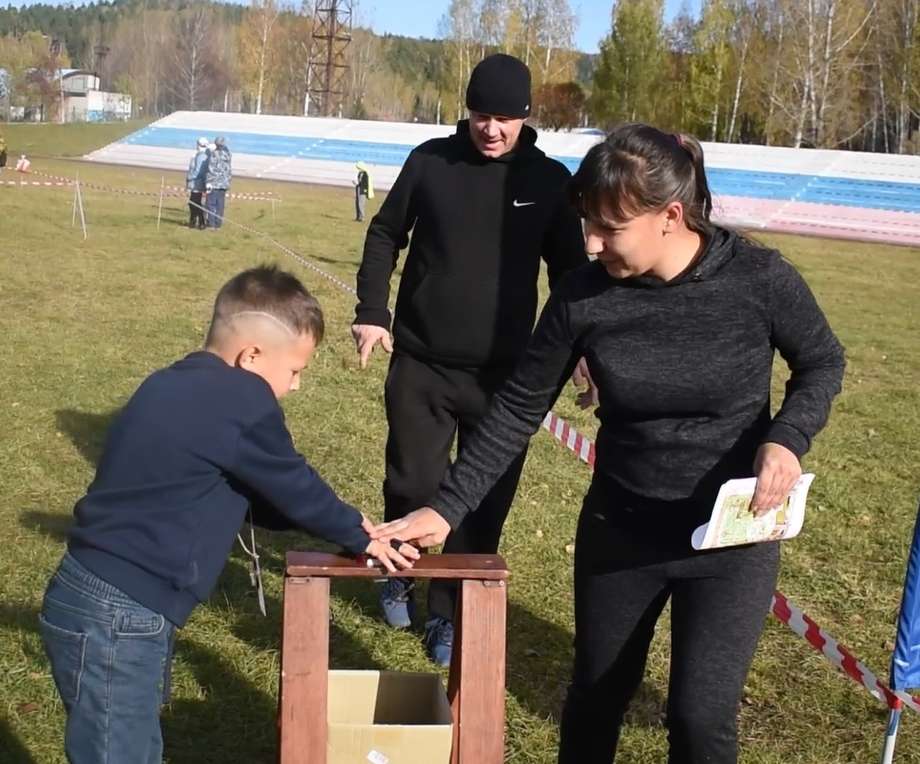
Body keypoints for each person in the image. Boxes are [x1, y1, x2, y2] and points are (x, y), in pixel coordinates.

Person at [374, 123, 847, 762]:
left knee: (698, 719)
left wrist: (787, 439)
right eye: (585, 225)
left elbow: (821, 360)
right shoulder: (581, 297)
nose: (590, 245)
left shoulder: (758, 279)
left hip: (731, 541)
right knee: (596, 697)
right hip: (621, 531)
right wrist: (445, 507)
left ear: (670, 216)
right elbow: (518, 406)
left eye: (608, 229)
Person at [39, 265, 418, 764]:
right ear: (252, 355)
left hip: (93, 596)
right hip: (120, 613)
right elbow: (292, 482)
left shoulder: (171, 382)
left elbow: (248, 489)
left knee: (124, 740)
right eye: (295, 371)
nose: (296, 386)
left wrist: (346, 531)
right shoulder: (243, 398)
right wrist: (359, 533)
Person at [352, 53, 586, 665]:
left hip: (505, 383)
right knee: (412, 483)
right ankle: (399, 570)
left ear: (525, 117)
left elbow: (571, 276)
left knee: (480, 506)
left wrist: (585, 351)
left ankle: (446, 616)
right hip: (422, 364)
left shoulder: (549, 182)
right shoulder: (430, 161)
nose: (491, 129)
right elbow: (384, 235)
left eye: (505, 118)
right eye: (481, 115)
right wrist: (373, 310)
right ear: (467, 111)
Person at [205, 136, 232, 229]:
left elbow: (211, 169)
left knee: (211, 204)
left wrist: (208, 182)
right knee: (220, 205)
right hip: (224, 183)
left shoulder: (214, 154)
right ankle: (218, 224)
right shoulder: (228, 154)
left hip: (214, 183)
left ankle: (211, 224)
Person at [186, 136, 209, 230]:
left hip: (197, 183)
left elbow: (197, 171)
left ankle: (199, 222)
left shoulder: (201, 156)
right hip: (197, 183)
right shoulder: (202, 155)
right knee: (194, 203)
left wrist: (189, 178)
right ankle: (195, 221)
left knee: (195, 203)